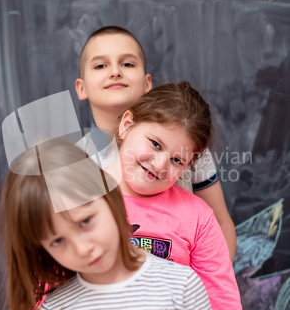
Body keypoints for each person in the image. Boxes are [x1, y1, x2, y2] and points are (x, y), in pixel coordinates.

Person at [0, 140, 231, 310]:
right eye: (57, 241)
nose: (82, 247)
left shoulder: (182, 287)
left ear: (108, 196)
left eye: (85, 221)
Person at [106, 81, 256, 310]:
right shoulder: (79, 199)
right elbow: (45, 307)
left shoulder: (197, 218)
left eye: (178, 160)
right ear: (127, 124)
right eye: (155, 144)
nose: (160, 165)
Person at [75, 26, 237, 261]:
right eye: (101, 65)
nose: (115, 72)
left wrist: (211, 288)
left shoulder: (189, 147)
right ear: (81, 87)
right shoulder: (72, 161)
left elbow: (221, 224)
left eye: (127, 64)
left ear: (147, 83)